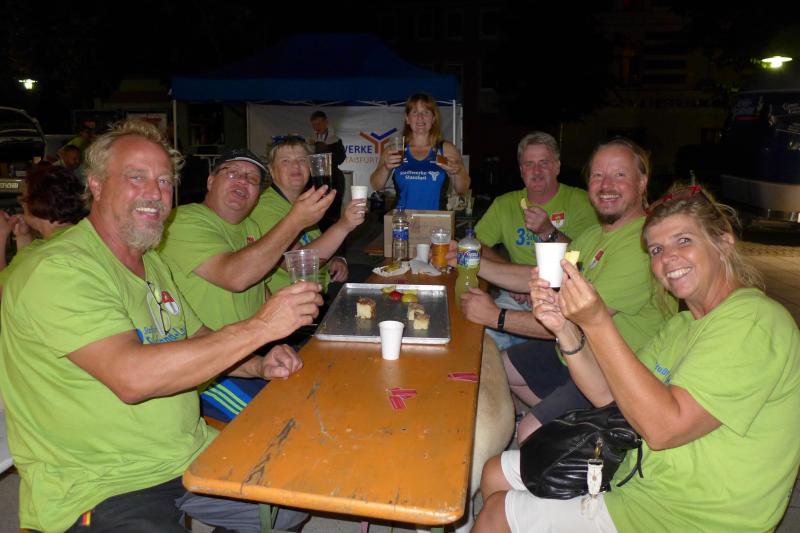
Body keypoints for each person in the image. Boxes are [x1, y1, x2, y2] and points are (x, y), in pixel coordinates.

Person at [0, 120, 319, 532]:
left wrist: (258, 363)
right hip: (101, 482)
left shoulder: (152, 262)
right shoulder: (59, 269)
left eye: (165, 181)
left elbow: (197, 336)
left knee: (289, 503)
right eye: (136, 177)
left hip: (183, 452)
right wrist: (260, 327)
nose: (155, 193)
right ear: (96, 185)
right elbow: (133, 378)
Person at [474, 185, 800, 533]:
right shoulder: (681, 325)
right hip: (638, 474)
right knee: (495, 472)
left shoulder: (753, 322)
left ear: (724, 242)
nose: (668, 258)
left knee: (498, 514)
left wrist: (596, 321)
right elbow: (608, 396)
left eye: (683, 240)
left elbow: (663, 430)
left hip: (694, 514)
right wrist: (565, 329)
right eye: (657, 249)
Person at [457, 139, 675, 442]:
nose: (606, 184)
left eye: (619, 174)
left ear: (642, 182)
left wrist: (496, 316)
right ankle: (568, 426)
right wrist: (467, 260)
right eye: (598, 175)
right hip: (575, 353)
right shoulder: (594, 235)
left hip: (615, 374)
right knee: (498, 367)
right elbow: (539, 276)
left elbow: (572, 321)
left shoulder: (642, 245)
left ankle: (600, 432)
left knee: (530, 435)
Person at [159, 147, 333, 420]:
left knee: (323, 387)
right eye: (232, 173)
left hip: (253, 354)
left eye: (252, 179)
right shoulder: (182, 220)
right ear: (210, 181)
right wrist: (295, 221)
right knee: (288, 418)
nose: (242, 180)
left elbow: (259, 290)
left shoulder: (251, 228)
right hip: (210, 371)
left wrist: (292, 325)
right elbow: (235, 277)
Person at [474, 132, 598, 350]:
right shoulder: (506, 204)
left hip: (566, 298)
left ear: (557, 167)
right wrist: (513, 279)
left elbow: (588, 259)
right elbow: (477, 245)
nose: (537, 170)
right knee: (481, 336)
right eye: (529, 164)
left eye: (544, 163)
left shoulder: (581, 202)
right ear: (521, 170)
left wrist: (548, 231)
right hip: (518, 298)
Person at [250, 135, 366, 295]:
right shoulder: (264, 208)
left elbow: (314, 245)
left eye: (302, 160)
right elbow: (299, 265)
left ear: (311, 167)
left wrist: (335, 259)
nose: (295, 165)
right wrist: (344, 225)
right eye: (285, 161)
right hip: (291, 300)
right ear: (271, 170)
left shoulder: (303, 201)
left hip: (320, 286)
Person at [369, 92, 470, 210]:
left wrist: (458, 172)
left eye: (426, 112)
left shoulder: (446, 149)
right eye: (415, 112)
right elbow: (376, 185)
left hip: (436, 219)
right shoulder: (395, 149)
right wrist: (386, 168)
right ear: (407, 119)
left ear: (433, 118)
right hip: (401, 218)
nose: (420, 117)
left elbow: (462, 189)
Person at [0, 165, 87, 295]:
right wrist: (23, 236)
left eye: (24, 198)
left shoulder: (40, 253)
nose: (21, 202)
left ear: (38, 203)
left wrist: (1, 236)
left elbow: (4, 295)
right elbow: (23, 273)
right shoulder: (78, 235)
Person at [309, 110, 347, 231]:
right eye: (314, 124)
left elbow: (341, 158)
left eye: (319, 123)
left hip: (333, 178)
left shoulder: (335, 139)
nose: (317, 127)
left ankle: (334, 237)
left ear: (326, 122)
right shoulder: (310, 141)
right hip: (315, 179)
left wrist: (324, 150)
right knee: (318, 211)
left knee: (333, 213)